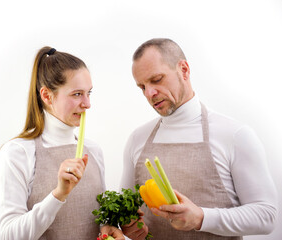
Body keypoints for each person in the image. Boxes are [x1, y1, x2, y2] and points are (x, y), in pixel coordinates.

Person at [119, 38, 278, 240]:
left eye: (157, 79)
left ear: (184, 70)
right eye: (142, 87)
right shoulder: (137, 139)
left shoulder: (234, 135)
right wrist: (128, 226)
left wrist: (201, 218)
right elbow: (125, 211)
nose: (149, 93)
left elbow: (267, 216)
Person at [0, 47, 124, 240]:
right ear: (46, 96)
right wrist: (58, 194)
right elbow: (10, 235)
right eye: (77, 94)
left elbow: (97, 218)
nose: (87, 104)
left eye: (89, 93)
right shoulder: (17, 153)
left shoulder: (93, 150)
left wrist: (109, 226)